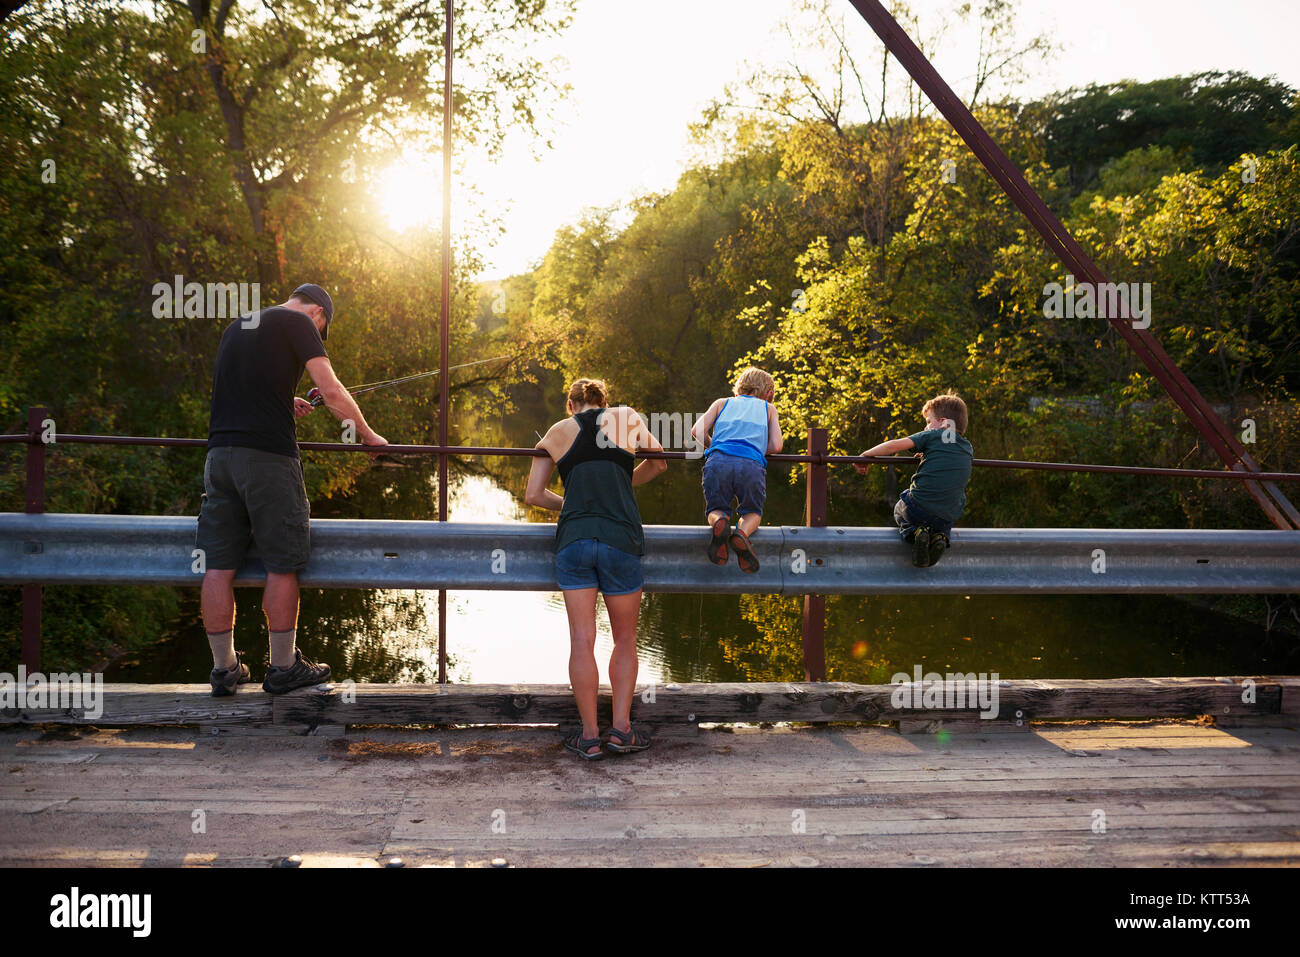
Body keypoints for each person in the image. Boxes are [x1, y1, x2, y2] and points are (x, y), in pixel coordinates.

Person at [197, 283, 387, 696]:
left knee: (218, 564)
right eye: (323, 327)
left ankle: (224, 669)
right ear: (318, 312)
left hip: (219, 458)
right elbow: (333, 390)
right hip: (268, 460)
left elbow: (244, 391)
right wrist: (369, 437)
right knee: (282, 562)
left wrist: (287, 398)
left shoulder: (239, 324)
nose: (318, 333)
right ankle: (283, 667)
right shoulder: (300, 323)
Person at [524, 378, 667, 760]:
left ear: (570, 405)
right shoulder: (625, 418)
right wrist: (622, 484)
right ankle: (621, 731)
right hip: (621, 540)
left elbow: (533, 495)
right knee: (624, 639)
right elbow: (659, 461)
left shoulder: (556, 432)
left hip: (574, 541)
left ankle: (589, 737)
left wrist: (574, 504)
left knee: (582, 639)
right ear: (605, 402)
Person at [855, 391, 972, 567]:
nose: (926, 427)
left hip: (919, 508)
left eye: (928, 422)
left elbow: (894, 445)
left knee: (899, 508)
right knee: (942, 516)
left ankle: (916, 532)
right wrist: (927, 452)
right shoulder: (967, 447)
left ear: (943, 422)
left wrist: (866, 455)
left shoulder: (932, 435)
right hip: (948, 515)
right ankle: (940, 537)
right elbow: (946, 454)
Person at [689, 367, 783, 573]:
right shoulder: (768, 409)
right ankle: (741, 534)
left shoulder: (722, 403)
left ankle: (720, 522)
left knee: (716, 509)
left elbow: (696, 431)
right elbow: (776, 446)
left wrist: (713, 445)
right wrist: (756, 450)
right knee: (752, 513)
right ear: (769, 394)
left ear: (739, 387)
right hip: (750, 464)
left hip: (718, 460)